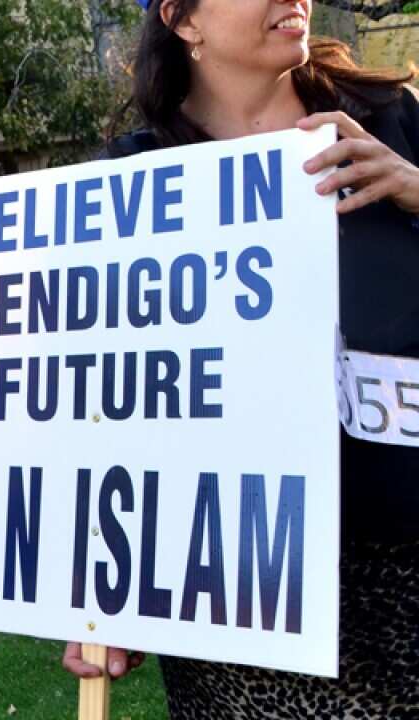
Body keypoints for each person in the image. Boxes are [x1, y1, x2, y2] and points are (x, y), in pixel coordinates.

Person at [61, 1, 419, 716]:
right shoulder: (130, 180)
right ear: (181, 19)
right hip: (240, 589)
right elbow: (105, 399)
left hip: (405, 566)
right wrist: (98, 587)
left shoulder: (394, 121)